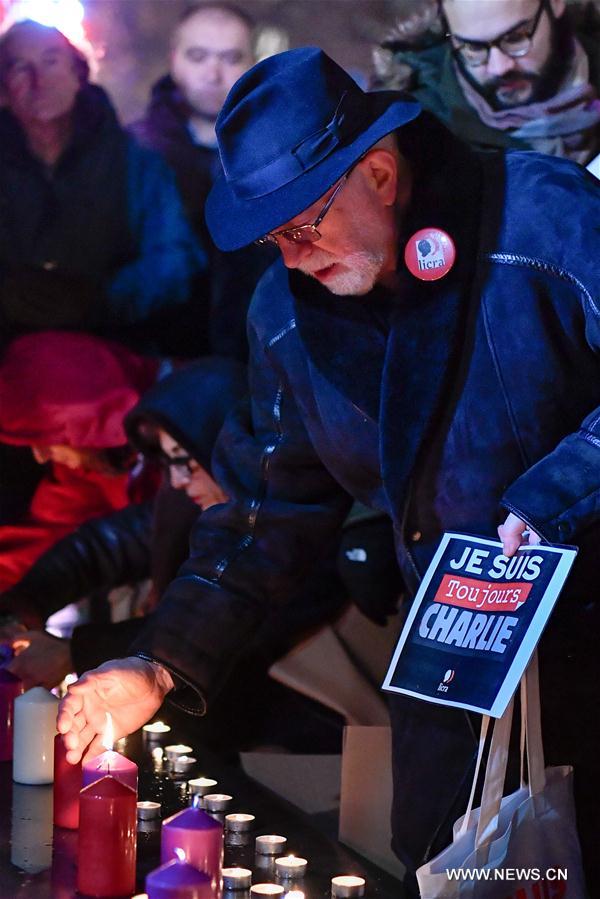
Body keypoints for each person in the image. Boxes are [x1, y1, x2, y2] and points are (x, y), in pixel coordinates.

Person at [58, 48, 600, 893]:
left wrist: (553, 496)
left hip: (588, 652)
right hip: (454, 679)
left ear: (380, 174)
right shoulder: (285, 315)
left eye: (305, 226)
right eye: (275, 239)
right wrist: (158, 662)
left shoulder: (545, 222)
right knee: (456, 868)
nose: (295, 257)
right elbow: (265, 510)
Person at [0, 19, 205, 352]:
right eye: (19, 67)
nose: (38, 80)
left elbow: (176, 260)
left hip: (119, 361)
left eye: (51, 61)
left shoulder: (137, 164)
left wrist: (100, 298)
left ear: (78, 74)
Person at [129, 2, 274, 360]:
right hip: (153, 360)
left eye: (230, 57)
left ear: (253, 62)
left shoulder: (282, 153)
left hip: (260, 360)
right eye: (198, 56)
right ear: (175, 59)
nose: (213, 73)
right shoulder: (132, 152)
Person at [0, 331, 159, 595]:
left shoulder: (200, 430)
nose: (40, 456)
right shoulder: (91, 471)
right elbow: (39, 539)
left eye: (47, 438)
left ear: (82, 418)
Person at [372, 0, 600, 163]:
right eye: (473, 48)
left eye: (516, 37)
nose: (499, 67)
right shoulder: (419, 133)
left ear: (555, 3)